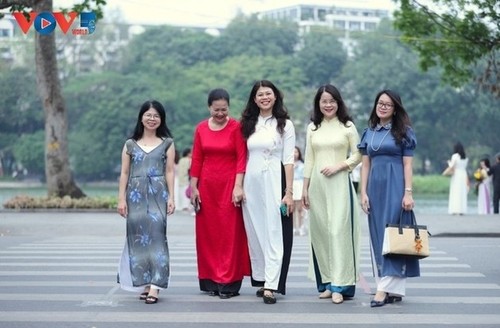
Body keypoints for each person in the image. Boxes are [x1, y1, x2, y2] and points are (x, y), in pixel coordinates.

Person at [302, 84, 362, 304]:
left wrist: (340, 166)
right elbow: (309, 159)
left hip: (339, 184)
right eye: (324, 101)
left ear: (338, 102)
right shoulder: (313, 128)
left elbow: (358, 154)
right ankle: (327, 282)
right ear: (318, 103)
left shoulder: (347, 126)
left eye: (332, 101)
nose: (328, 105)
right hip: (317, 187)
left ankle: (340, 285)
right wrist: (304, 189)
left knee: (338, 231)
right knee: (322, 233)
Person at [357, 89, 418, 307]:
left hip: (395, 186)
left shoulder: (403, 132)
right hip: (374, 188)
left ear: (395, 109)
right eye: (380, 103)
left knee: (392, 235)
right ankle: (393, 289)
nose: (383, 107)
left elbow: (408, 164)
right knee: (377, 236)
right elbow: (365, 165)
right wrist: (362, 192)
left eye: (388, 104)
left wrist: (408, 193)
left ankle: (383, 289)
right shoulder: (369, 132)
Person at [189, 88, 251, 299]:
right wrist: (194, 187)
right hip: (207, 187)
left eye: (224, 109)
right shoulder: (200, 129)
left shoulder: (236, 128)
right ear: (209, 108)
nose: (220, 113)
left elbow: (241, 158)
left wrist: (238, 186)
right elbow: (197, 159)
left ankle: (229, 282)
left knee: (230, 234)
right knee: (208, 236)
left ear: (229, 108)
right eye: (216, 110)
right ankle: (211, 280)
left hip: (229, 186)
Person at [240, 80, 296, 304]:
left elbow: (289, 160)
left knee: (273, 231)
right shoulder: (247, 124)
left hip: (274, 179)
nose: (264, 97)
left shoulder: (285, 124)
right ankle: (263, 279)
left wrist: (289, 192)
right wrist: (239, 186)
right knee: (255, 230)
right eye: (260, 94)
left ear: (275, 96)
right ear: (254, 99)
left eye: (268, 93)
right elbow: (242, 157)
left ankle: (272, 285)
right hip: (251, 183)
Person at [116, 100, 176, 304]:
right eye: (148, 115)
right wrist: (121, 199)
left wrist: (172, 198)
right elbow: (124, 173)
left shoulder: (167, 142)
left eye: (156, 116)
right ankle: (145, 283)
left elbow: (170, 171)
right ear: (141, 117)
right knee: (138, 240)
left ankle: (156, 286)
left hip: (158, 195)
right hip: (135, 196)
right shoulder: (130, 144)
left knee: (158, 238)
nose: (152, 119)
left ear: (161, 119)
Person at [443, 142, 469, 215]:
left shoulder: (455, 156)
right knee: (462, 192)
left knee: (455, 192)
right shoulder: (465, 157)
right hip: (463, 173)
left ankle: (455, 209)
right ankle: (462, 210)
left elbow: (452, 166)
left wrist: (448, 162)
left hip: (456, 174)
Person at [293, 146, 306, 236]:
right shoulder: (288, 164)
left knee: (300, 208)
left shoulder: (302, 165)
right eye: (293, 152)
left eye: (296, 152)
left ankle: (301, 227)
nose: (294, 154)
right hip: (292, 185)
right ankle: (294, 227)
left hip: (299, 184)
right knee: (292, 209)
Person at [177, 147, 192, 212]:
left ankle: (182, 205)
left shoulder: (181, 160)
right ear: (188, 154)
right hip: (186, 178)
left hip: (180, 178)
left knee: (181, 192)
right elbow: (189, 169)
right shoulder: (189, 160)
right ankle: (185, 206)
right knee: (186, 192)